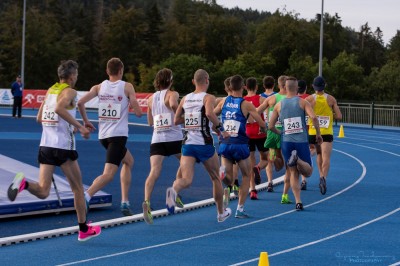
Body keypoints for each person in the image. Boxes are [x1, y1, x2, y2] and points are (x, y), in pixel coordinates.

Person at [7, 60, 101, 241]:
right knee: (78, 190)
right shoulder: (70, 91)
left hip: (46, 146)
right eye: (77, 74)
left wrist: (66, 125)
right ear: (72, 76)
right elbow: (59, 109)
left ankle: (23, 183)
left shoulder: (50, 91)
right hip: (63, 147)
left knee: (43, 191)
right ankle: (83, 229)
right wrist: (79, 127)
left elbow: (39, 118)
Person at [77, 57, 142, 216]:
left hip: (104, 137)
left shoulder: (99, 87)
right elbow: (139, 113)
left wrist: (86, 121)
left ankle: (125, 201)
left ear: (107, 71)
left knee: (129, 161)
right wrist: (131, 106)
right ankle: (86, 195)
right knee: (109, 174)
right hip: (118, 136)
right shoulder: (127, 87)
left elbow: (80, 103)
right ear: (121, 71)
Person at [166, 69, 231, 223]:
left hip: (188, 145)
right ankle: (221, 213)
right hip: (204, 144)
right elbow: (209, 113)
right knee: (216, 178)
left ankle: (173, 191)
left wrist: (190, 118)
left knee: (186, 180)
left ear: (193, 81)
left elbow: (176, 120)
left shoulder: (185, 98)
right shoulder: (208, 97)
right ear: (207, 80)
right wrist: (222, 129)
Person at [215, 75, 266, 218]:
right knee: (246, 175)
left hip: (225, 144)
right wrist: (264, 129)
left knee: (228, 176)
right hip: (241, 145)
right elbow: (261, 123)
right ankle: (240, 209)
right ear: (243, 87)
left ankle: (223, 173)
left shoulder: (223, 101)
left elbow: (211, 116)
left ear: (229, 87)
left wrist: (218, 130)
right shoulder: (246, 104)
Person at [268, 77, 323, 210]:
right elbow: (314, 117)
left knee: (293, 173)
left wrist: (280, 133)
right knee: (308, 172)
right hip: (301, 141)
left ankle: (298, 202)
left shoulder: (278, 105)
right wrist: (318, 134)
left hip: (286, 142)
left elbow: (270, 126)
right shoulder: (302, 102)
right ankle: (297, 159)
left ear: (285, 88)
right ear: (297, 88)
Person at [142, 68, 184, 224]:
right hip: (174, 138)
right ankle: (173, 191)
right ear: (170, 81)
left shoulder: (150, 99)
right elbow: (173, 104)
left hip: (157, 139)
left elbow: (150, 122)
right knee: (185, 164)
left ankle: (146, 201)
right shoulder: (173, 94)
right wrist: (181, 116)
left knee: (154, 172)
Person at [306, 76, 342, 195]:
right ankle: (324, 178)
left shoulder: (309, 99)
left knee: (319, 154)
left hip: (313, 132)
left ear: (313, 86)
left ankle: (320, 174)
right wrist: (329, 113)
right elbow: (339, 116)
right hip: (326, 133)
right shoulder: (331, 99)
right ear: (325, 85)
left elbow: (304, 113)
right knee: (326, 157)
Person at [257, 75, 289, 203]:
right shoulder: (290, 99)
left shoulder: (271, 99)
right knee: (286, 162)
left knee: (271, 157)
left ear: (278, 84)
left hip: (271, 131)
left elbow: (257, 110)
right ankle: (285, 193)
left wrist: (261, 124)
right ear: (286, 85)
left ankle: (270, 182)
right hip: (284, 132)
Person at [243, 77, 268, 200]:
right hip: (260, 132)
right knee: (266, 159)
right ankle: (259, 167)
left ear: (245, 87)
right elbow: (269, 109)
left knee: (250, 161)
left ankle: (253, 190)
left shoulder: (242, 101)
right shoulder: (261, 99)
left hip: (247, 133)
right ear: (257, 87)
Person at [297, 80, 310, 191]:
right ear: (305, 88)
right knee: (307, 155)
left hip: (297, 131)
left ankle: (302, 180)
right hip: (309, 130)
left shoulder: (294, 99)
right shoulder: (309, 98)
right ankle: (304, 180)